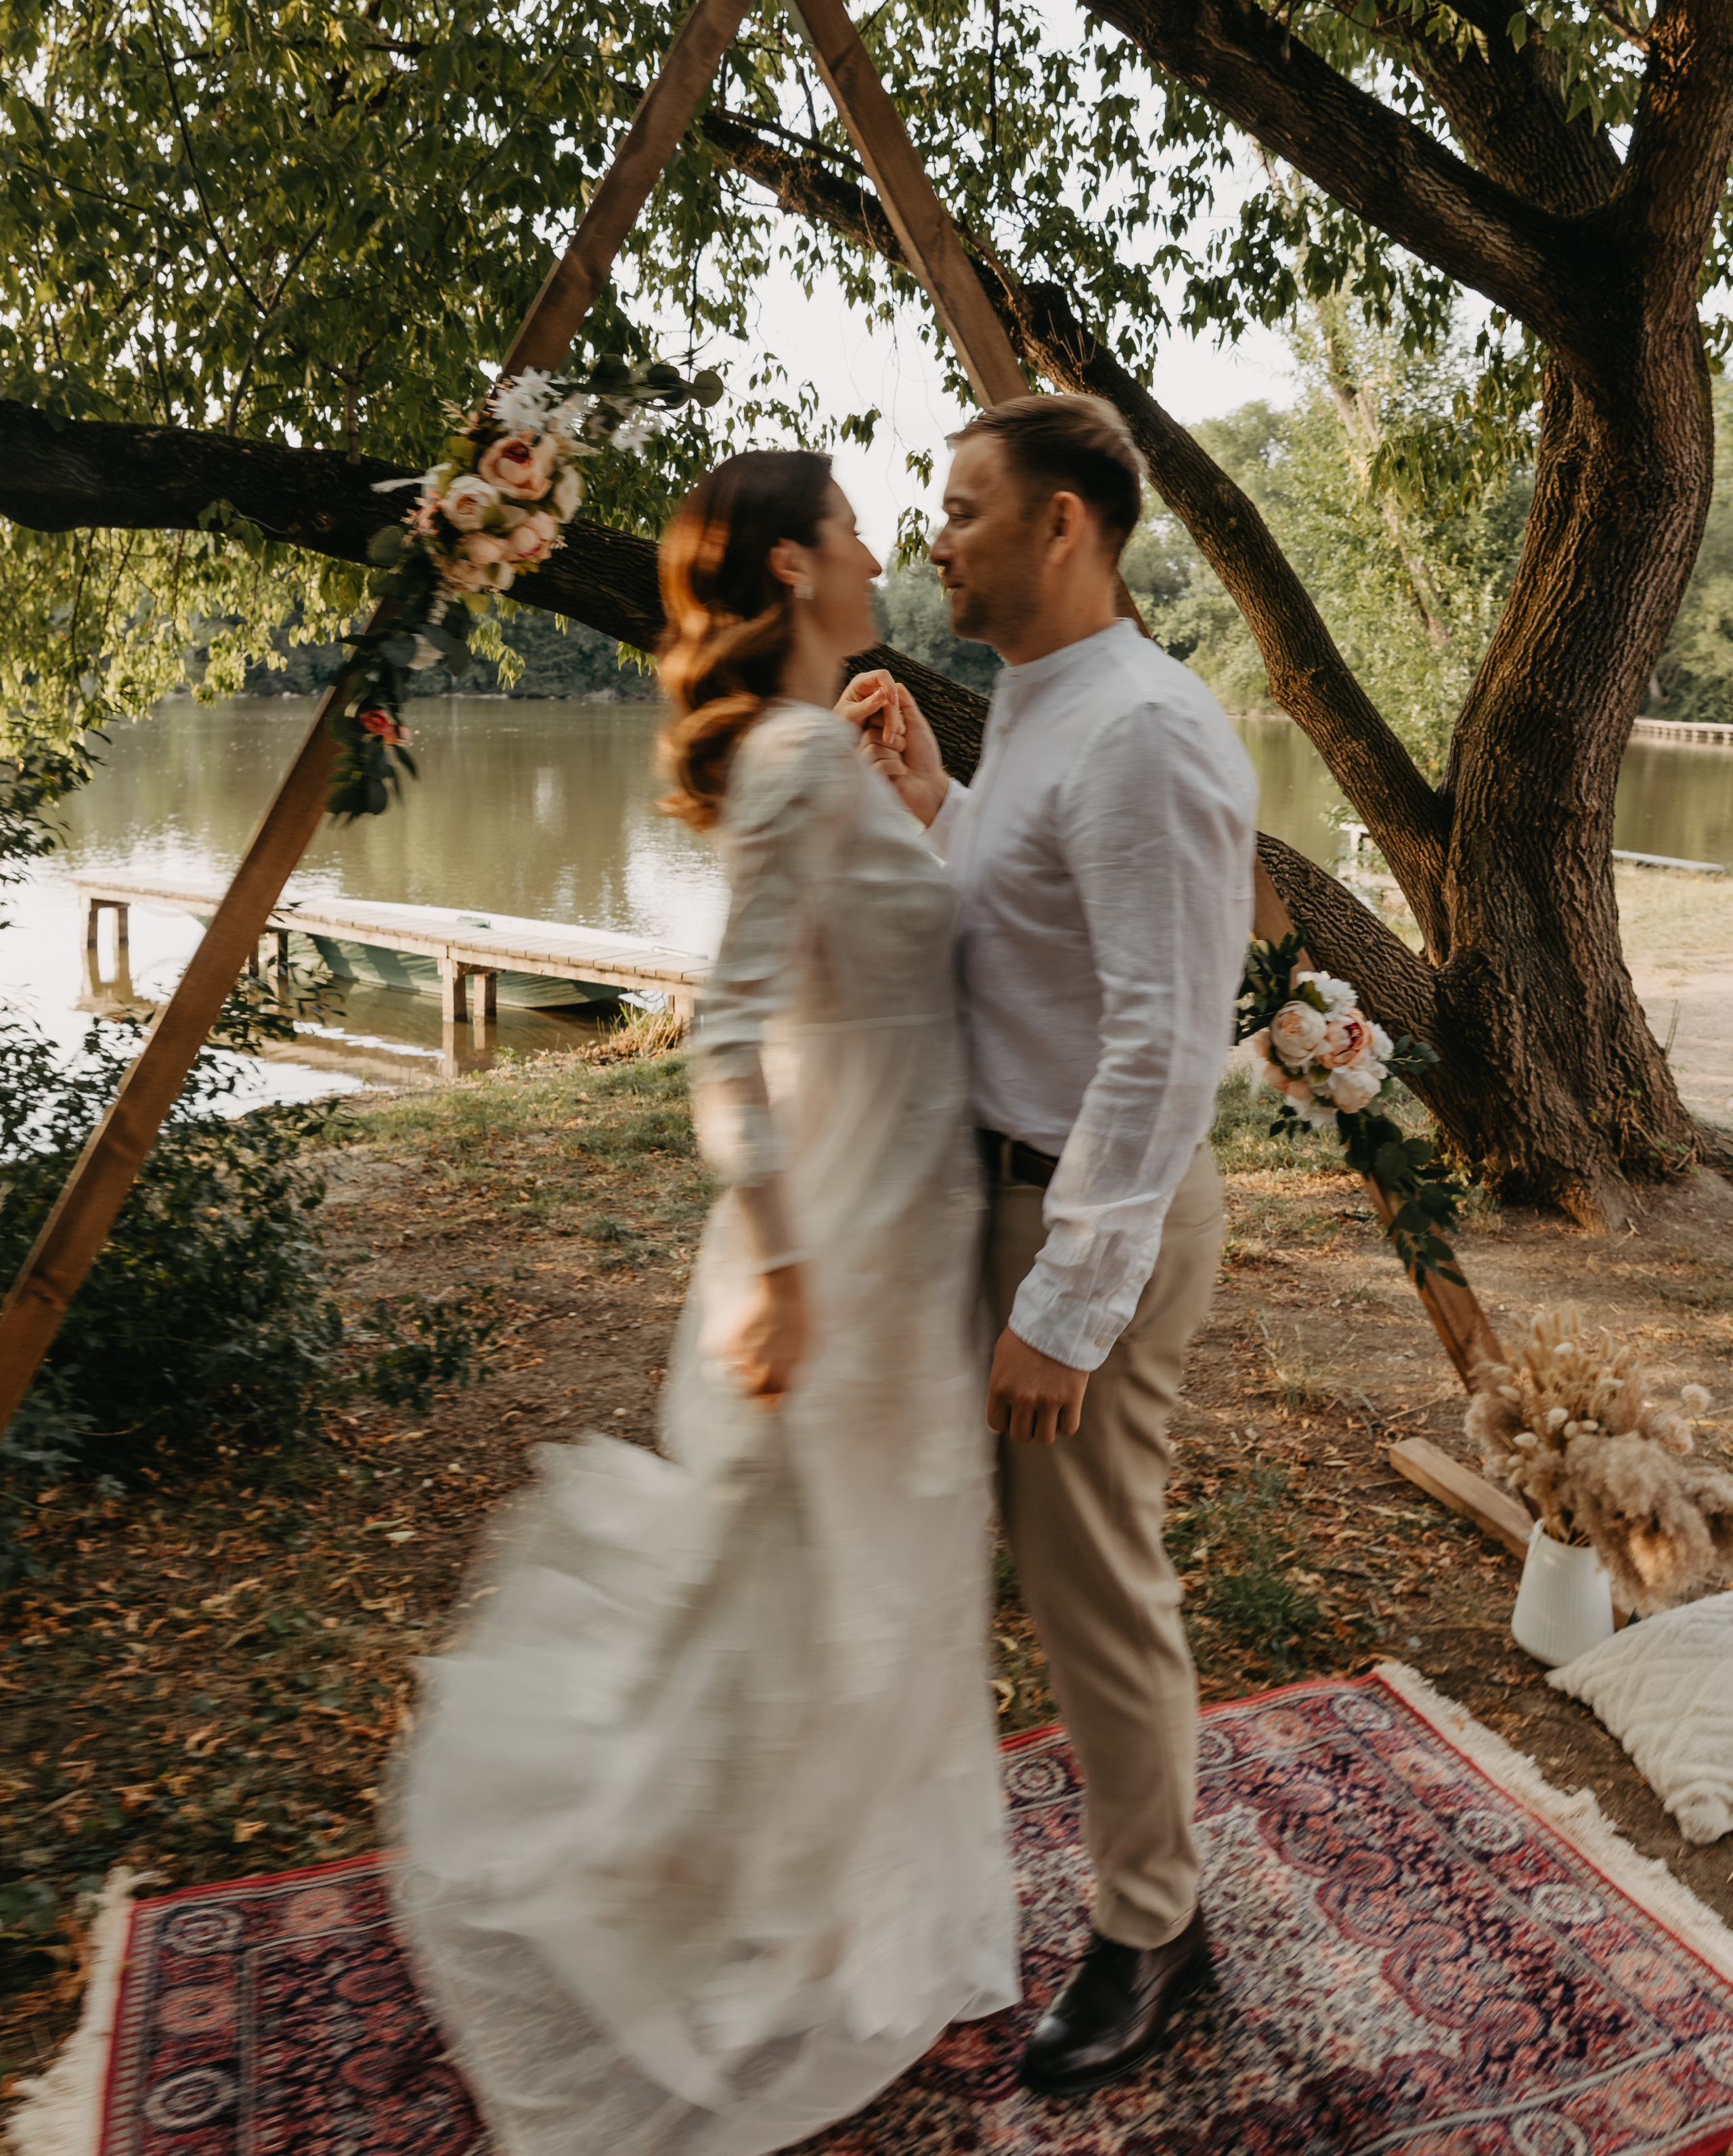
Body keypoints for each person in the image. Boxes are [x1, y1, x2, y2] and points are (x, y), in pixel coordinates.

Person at [392, 450, 1017, 2156]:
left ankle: (847, 1903)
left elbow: (907, 965)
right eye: (855, 526)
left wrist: (927, 795)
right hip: (840, 1242)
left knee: (881, 1570)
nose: (885, 543)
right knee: (828, 1572)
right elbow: (728, 1043)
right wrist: (791, 1268)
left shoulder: (830, 761)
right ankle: (726, 1902)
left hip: (905, 1215)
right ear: (799, 568)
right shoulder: (790, 762)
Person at [843, 392, 1258, 2101]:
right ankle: (1157, 1904)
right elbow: (1032, 945)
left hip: (1087, 1213)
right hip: (1012, 1189)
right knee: (1057, 1575)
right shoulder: (1040, 704)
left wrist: (1065, 1303)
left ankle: (1149, 1931)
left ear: (1060, 528)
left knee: (1094, 1592)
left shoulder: (1146, 731)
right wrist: (937, 804)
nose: (929, 536)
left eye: (957, 507)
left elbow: (1163, 1036)